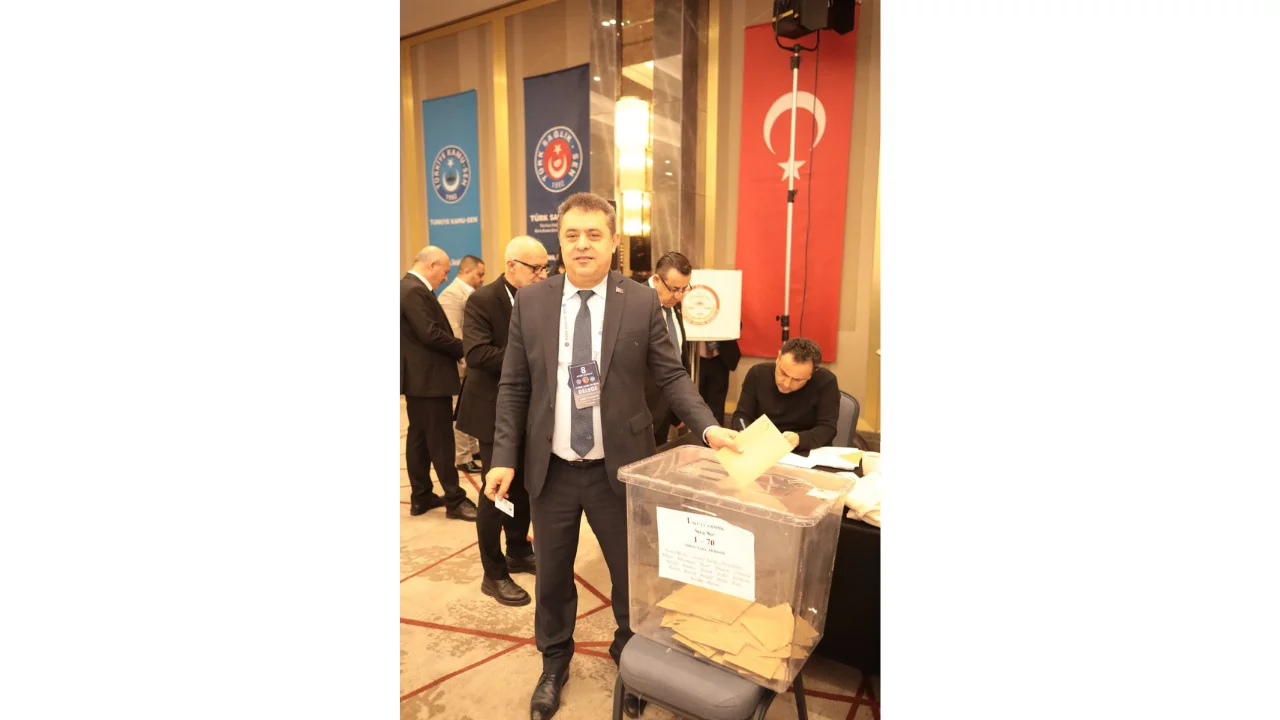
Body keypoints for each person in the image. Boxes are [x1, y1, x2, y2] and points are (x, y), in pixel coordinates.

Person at [485, 192, 742, 720]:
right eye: (572, 235)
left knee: (631, 575)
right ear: (559, 242)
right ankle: (554, 661)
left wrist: (708, 426)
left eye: (594, 234)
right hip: (552, 471)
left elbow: (671, 374)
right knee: (552, 577)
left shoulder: (641, 301)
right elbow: (514, 385)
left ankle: (631, 658)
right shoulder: (532, 302)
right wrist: (504, 455)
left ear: (613, 241)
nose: (582, 244)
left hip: (619, 468)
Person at [455, 238, 547, 607]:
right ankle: (492, 573)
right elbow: (477, 354)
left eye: (544, 268)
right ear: (511, 265)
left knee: (523, 487)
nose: (542, 275)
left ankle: (518, 551)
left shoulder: (538, 298)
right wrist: (527, 355)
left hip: (529, 410)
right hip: (492, 410)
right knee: (496, 491)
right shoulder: (483, 300)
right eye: (535, 268)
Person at [400, 246, 479, 521]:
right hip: (429, 380)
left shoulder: (410, 288)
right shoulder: (413, 290)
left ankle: (421, 496)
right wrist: (465, 347)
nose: (445, 277)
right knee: (441, 441)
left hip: (421, 380)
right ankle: (454, 499)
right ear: (431, 265)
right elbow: (430, 333)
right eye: (444, 271)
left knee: (419, 439)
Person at [730, 337, 840, 452]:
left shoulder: (826, 382)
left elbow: (827, 428)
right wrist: (744, 433)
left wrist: (800, 439)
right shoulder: (757, 374)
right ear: (778, 358)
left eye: (797, 380)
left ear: (811, 374)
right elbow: (742, 415)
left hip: (805, 451)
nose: (786, 384)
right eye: (783, 373)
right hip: (762, 447)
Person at [438, 254, 486, 473]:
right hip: (461, 364)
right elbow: (454, 332)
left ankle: (473, 449)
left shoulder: (469, 293)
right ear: (467, 271)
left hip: (471, 364)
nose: (482, 279)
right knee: (460, 413)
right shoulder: (451, 295)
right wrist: (471, 360)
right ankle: (463, 457)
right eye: (479, 274)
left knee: (471, 410)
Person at [644, 252, 694, 446]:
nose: (679, 296)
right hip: (640, 412)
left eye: (684, 289)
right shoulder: (634, 303)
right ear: (657, 280)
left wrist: (679, 408)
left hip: (666, 409)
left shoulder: (672, 304)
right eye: (674, 289)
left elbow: (679, 356)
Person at [696, 333, 741, 427]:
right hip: (695, 358)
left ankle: (715, 433)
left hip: (720, 359)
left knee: (717, 406)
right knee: (695, 402)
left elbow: (738, 326)